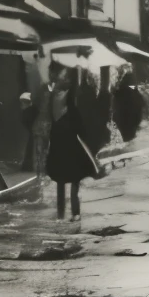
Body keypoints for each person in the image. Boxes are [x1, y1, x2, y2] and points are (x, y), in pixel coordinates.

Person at [45, 63, 100, 221]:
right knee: (71, 180)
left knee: (62, 181)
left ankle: (64, 214)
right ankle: (73, 213)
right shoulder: (64, 99)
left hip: (60, 145)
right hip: (67, 144)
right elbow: (80, 128)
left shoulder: (55, 97)